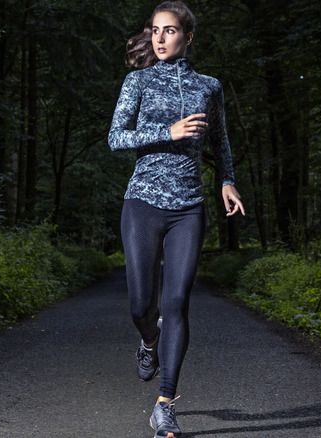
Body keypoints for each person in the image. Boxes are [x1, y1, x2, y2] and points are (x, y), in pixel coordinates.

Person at [108, 2, 245, 437]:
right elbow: (116, 138)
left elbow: (220, 140)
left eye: (169, 31)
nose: (160, 38)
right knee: (140, 303)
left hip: (189, 207)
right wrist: (166, 132)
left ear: (188, 36)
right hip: (143, 201)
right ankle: (149, 340)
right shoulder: (139, 81)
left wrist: (227, 181)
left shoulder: (209, 86)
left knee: (177, 302)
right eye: (154, 31)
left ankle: (165, 403)